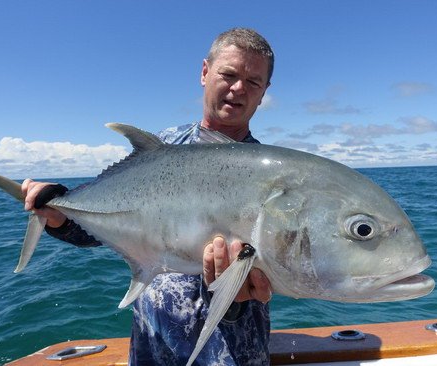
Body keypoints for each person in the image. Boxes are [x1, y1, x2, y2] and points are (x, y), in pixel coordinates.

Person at [22, 28, 275, 365]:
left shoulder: (270, 177)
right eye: (228, 74)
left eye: (253, 82)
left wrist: (240, 297)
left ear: (264, 93)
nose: (239, 88)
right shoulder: (162, 147)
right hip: (152, 348)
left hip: (230, 354)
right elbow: (98, 231)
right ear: (204, 72)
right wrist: (57, 214)